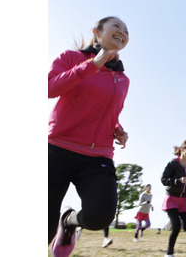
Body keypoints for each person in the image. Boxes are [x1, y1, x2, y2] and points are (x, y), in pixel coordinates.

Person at [48, 16, 130, 257]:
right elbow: (50, 87)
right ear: (97, 31)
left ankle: (68, 222)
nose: (122, 32)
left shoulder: (123, 79)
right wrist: (92, 65)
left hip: (98, 155)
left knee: (99, 216)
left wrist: (117, 128)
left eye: (126, 31)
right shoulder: (71, 58)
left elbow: (107, 112)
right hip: (58, 148)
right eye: (117, 26)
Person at [161, 140, 186, 257]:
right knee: (177, 227)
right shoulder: (172, 164)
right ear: (182, 149)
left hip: (185, 199)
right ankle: (169, 253)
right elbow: (163, 180)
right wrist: (177, 181)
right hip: (172, 198)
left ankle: (174, 220)